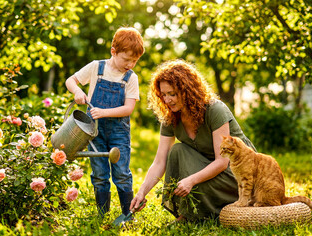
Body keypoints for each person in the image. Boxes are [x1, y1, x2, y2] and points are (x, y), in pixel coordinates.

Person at [130, 59, 256, 221]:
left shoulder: (214, 110)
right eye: (164, 95)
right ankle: (191, 214)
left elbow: (221, 162)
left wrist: (190, 180)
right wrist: (142, 192)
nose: (167, 100)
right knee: (177, 151)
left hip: (238, 177)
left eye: (172, 94)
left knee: (184, 159)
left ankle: (205, 212)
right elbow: (159, 162)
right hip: (209, 171)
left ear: (187, 90)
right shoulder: (171, 117)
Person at [65, 27, 145, 218]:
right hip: (94, 131)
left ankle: (128, 213)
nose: (131, 64)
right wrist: (77, 91)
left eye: (135, 61)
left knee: (121, 173)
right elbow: (71, 80)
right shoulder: (96, 67)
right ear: (113, 51)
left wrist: (104, 112)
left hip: (119, 132)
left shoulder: (131, 78)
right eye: (126, 59)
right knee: (100, 173)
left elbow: (128, 108)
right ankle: (103, 214)